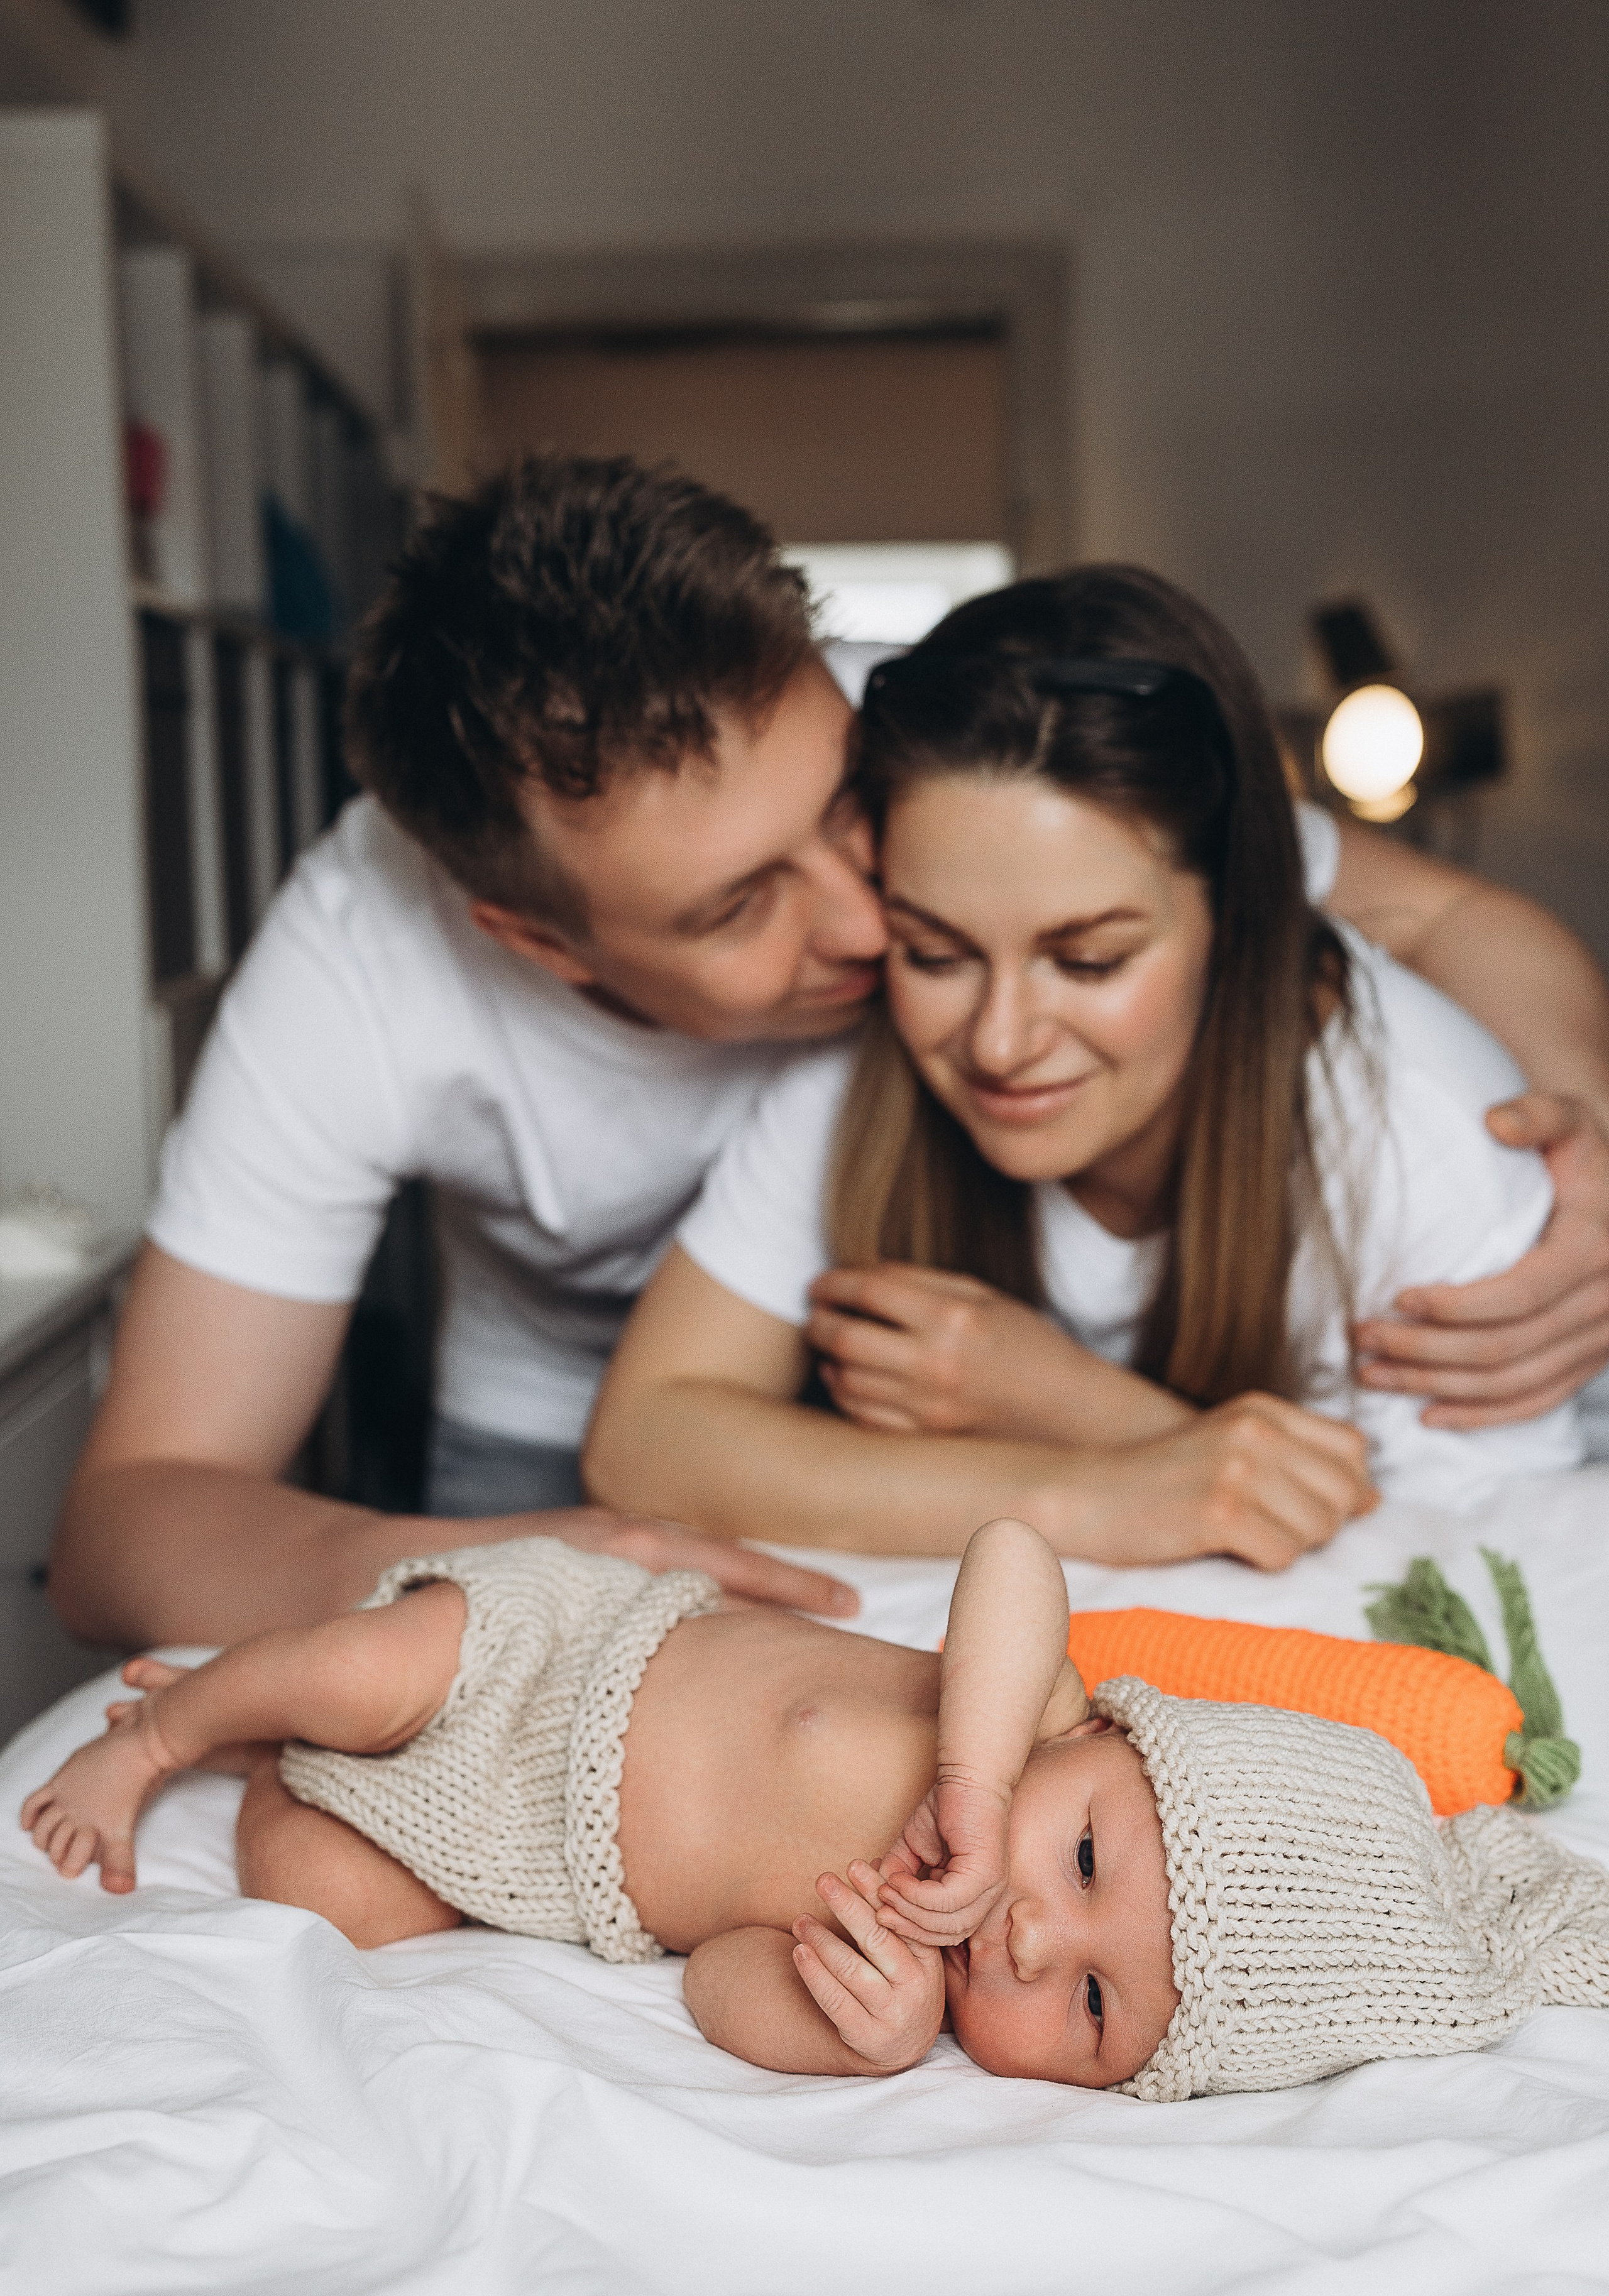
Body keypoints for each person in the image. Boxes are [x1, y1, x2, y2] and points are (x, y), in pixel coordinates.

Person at [47, 461, 1609, 1648]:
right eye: (738, 905)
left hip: (916, 1393)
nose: (876, 923)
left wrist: (1570, 1160)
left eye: (845, 808)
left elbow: (1439, 912)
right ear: (540, 942)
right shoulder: (357, 982)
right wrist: (480, 1561)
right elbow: (126, 1520)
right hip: (576, 1414)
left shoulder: (939, 742)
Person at [585, 566, 1584, 1564]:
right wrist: (1088, 1489)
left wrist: (1076, 1407)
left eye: (1089, 961)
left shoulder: (1422, 1130)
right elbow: (646, 1441)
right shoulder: (866, 1056)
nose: (999, 1042)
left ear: (1237, 918)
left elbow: (1478, 1576)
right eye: (935, 952)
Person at [21, 1521, 1609, 2095]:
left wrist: (850, 2027)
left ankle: (261, 1747)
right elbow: (1008, 1553)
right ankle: (167, 1733)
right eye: (1081, 1857)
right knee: (365, 1665)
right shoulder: (1026, 1711)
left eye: (1093, 2004)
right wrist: (977, 1773)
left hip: (521, 1846)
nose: (1032, 1934)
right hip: (557, 1649)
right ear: (1110, 1736)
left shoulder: (894, 1970)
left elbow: (710, 1973)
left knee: (331, 1905)